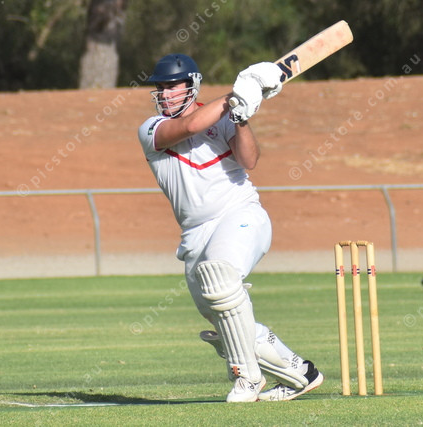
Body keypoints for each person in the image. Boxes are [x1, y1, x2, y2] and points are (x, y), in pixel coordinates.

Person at [137, 53, 323, 403]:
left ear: (192, 86)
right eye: (161, 88)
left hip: (241, 215)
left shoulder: (223, 119)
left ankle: (248, 379)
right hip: (195, 236)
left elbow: (249, 159)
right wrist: (239, 92)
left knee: (220, 277)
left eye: (173, 86)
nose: (165, 94)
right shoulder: (150, 129)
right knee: (227, 320)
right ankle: (302, 373)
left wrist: (240, 117)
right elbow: (189, 127)